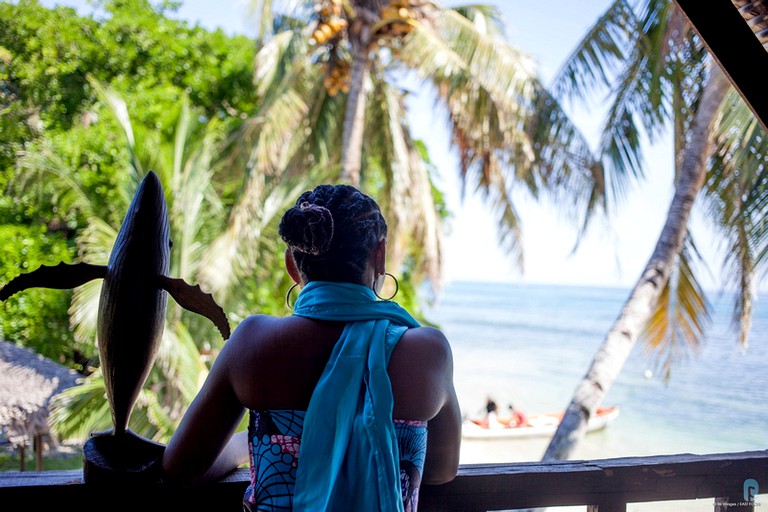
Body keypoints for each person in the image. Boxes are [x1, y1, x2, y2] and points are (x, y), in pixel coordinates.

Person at [162, 184, 462, 511]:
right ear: (380, 255)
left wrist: (246, 447)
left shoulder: (253, 342)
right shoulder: (428, 352)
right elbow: (440, 471)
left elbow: (181, 468)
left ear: (292, 263)